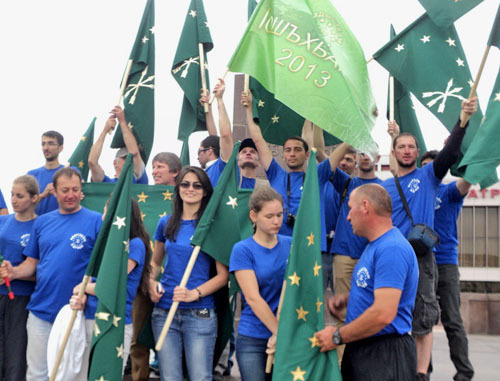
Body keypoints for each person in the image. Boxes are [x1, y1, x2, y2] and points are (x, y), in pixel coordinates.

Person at [382, 98, 477, 380]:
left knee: (423, 319)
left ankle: (421, 375)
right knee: (393, 317)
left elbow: (449, 153)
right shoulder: (386, 185)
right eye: (402, 146)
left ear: (418, 151)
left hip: (422, 258)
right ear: (395, 152)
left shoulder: (429, 176)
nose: (407, 150)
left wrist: (463, 119)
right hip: (392, 259)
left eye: (411, 146)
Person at [0, 167, 102, 380]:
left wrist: (89, 292)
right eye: (65, 190)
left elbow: (103, 268)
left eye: (75, 189)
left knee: (71, 375)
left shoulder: (95, 221)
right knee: (37, 374)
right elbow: (32, 264)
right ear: (54, 192)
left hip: (76, 313)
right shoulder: (42, 222)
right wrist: (14, 271)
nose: (71, 194)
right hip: (40, 311)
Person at [315, 184, 419, 381]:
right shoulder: (376, 245)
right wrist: (352, 300)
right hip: (367, 351)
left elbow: (383, 314)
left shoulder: (391, 248)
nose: (347, 216)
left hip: (384, 356)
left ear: (365, 206)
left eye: (350, 207)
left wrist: (337, 336)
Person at [149, 166, 228, 381]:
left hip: (200, 314)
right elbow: (155, 263)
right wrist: (151, 283)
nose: (190, 189)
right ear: (178, 188)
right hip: (164, 311)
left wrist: (195, 293)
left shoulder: (212, 226)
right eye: (185, 184)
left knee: (200, 377)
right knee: (170, 378)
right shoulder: (165, 222)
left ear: (205, 191)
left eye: (197, 185)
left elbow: (223, 275)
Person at [241, 91, 335, 254]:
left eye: (297, 150)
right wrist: (249, 109)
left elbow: (314, 145)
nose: (292, 154)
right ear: (283, 154)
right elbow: (258, 139)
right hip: (280, 248)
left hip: (311, 250)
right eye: (288, 150)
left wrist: (310, 114)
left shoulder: (316, 175)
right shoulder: (277, 174)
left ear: (306, 155)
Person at [70, 198, 152, 377]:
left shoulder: (135, 244)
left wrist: (82, 288)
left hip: (115, 321)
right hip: (90, 316)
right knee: (84, 374)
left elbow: (113, 283)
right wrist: (81, 294)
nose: (105, 218)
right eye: (105, 213)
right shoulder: (105, 245)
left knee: (109, 374)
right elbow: (93, 277)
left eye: (110, 214)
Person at [421, 150, 474, 381]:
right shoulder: (418, 193)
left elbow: (468, 180)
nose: (429, 170)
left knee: (452, 320)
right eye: (424, 166)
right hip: (422, 264)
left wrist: (466, 152)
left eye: (433, 165)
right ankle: (423, 371)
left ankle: (464, 372)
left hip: (445, 264)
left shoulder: (449, 191)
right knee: (423, 321)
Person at [229, 187, 291, 381]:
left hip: (288, 335)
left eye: (280, 215)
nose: (276, 221)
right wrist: (278, 333)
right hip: (253, 339)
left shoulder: (291, 244)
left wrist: (283, 336)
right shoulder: (242, 249)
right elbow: (253, 298)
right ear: (253, 216)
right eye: (269, 216)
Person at [129, 151, 181, 381]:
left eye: (160, 167)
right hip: (144, 283)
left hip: (176, 288)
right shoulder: (150, 203)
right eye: (153, 167)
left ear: (175, 172)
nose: (154, 172)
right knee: (138, 339)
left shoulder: (186, 200)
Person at [327, 143, 382, 361]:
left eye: (370, 153)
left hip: (371, 257)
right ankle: (343, 365)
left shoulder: (383, 188)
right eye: (362, 153)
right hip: (343, 255)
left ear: (378, 158)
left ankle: (366, 363)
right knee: (343, 314)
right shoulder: (347, 182)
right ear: (356, 157)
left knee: (368, 313)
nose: (366, 157)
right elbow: (325, 158)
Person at [0, 175, 39, 380]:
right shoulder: (2, 221)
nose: (14, 200)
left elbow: (44, 268)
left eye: (20, 196)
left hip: (22, 298)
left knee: (16, 351)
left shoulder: (41, 225)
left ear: (34, 198)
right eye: (12, 195)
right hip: (0, 295)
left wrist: (13, 273)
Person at [321, 146, 357, 291]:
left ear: (355, 164)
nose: (343, 163)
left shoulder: (356, 189)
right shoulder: (322, 182)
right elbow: (318, 148)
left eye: (348, 160)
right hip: (321, 251)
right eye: (340, 159)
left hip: (343, 253)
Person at [88, 105, 148, 184]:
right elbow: (92, 161)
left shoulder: (139, 180)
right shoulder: (106, 182)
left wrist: (122, 122)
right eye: (125, 158)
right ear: (115, 163)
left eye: (131, 159)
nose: (130, 161)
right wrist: (105, 131)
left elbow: (134, 153)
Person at [27, 130, 67, 215]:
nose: (46, 148)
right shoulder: (31, 175)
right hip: (37, 226)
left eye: (51, 143)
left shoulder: (70, 172)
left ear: (60, 148)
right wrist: (43, 195)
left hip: (63, 225)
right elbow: (24, 205)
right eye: (43, 144)